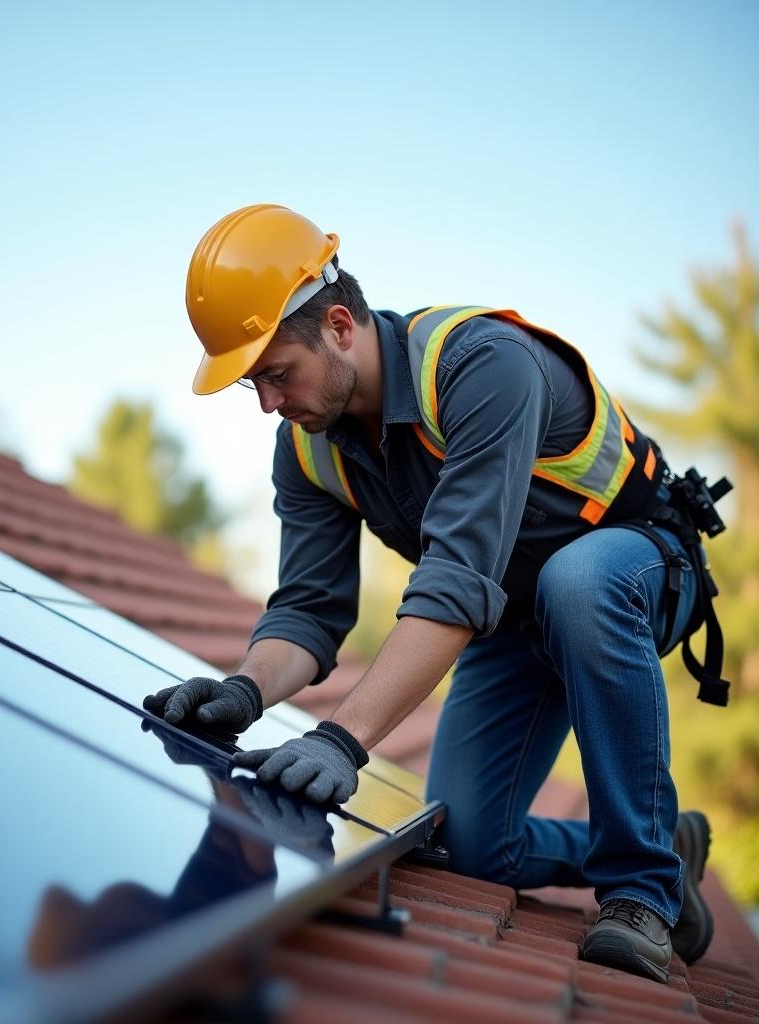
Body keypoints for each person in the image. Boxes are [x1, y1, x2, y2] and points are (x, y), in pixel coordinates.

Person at [144, 204, 726, 982]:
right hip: (514, 619)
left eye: (277, 374)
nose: (268, 405)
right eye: (255, 385)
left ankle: (642, 894)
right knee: (471, 847)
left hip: (637, 573)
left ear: (341, 325)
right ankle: (664, 847)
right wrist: (244, 691)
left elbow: (454, 582)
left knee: (577, 583)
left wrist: (340, 739)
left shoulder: (482, 366)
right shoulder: (311, 452)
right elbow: (310, 612)